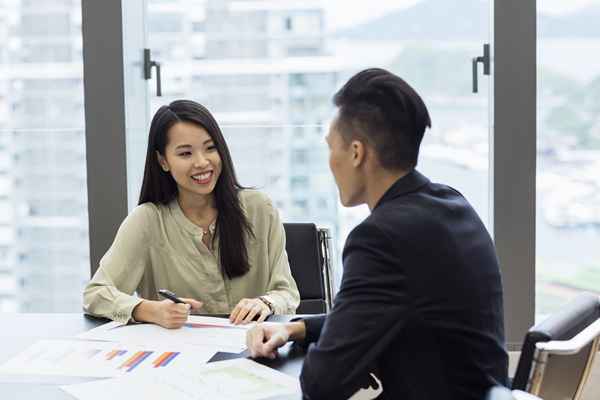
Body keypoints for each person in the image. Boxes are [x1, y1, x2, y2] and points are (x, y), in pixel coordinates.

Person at [246, 68, 508, 399]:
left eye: (331, 147)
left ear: (357, 153)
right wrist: (294, 328)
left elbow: (321, 383)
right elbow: (366, 316)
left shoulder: (382, 238)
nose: (330, 161)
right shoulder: (449, 204)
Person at [84, 100, 299, 327]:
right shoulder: (147, 220)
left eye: (210, 148)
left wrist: (265, 303)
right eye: (186, 153)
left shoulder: (259, 209)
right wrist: (148, 310)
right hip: (181, 355)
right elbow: (95, 294)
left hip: (254, 349)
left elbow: (287, 293)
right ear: (163, 161)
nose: (202, 162)